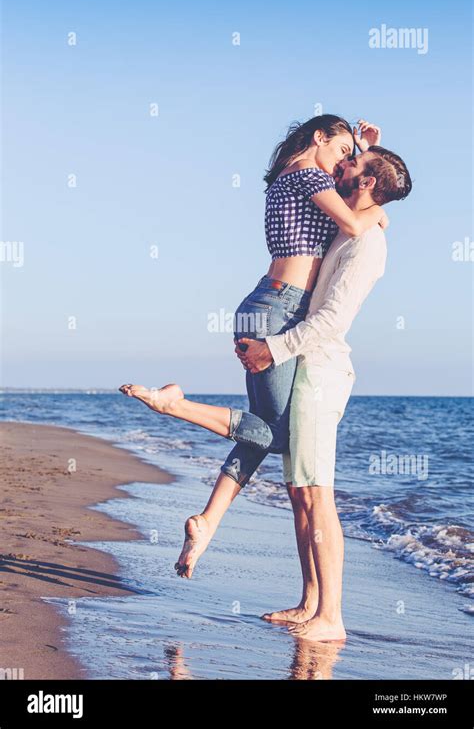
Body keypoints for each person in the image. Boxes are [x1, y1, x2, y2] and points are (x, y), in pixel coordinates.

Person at [119, 115, 388, 579]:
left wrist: (366, 148)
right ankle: (175, 404)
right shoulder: (305, 176)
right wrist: (382, 212)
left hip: (267, 304)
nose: (345, 159)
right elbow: (356, 218)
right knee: (278, 435)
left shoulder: (297, 174)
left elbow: (363, 184)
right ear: (319, 138)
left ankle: (206, 523)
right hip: (277, 310)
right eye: (341, 148)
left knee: (263, 430)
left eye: (351, 156)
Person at [234, 146, 412, 641]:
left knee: (318, 495)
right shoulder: (354, 221)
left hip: (320, 374)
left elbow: (331, 320)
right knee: (299, 494)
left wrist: (272, 348)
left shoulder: (366, 245)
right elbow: (377, 199)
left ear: (368, 183)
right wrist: (369, 144)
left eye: (352, 164)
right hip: (306, 365)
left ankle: (331, 618)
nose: (341, 166)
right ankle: (309, 601)